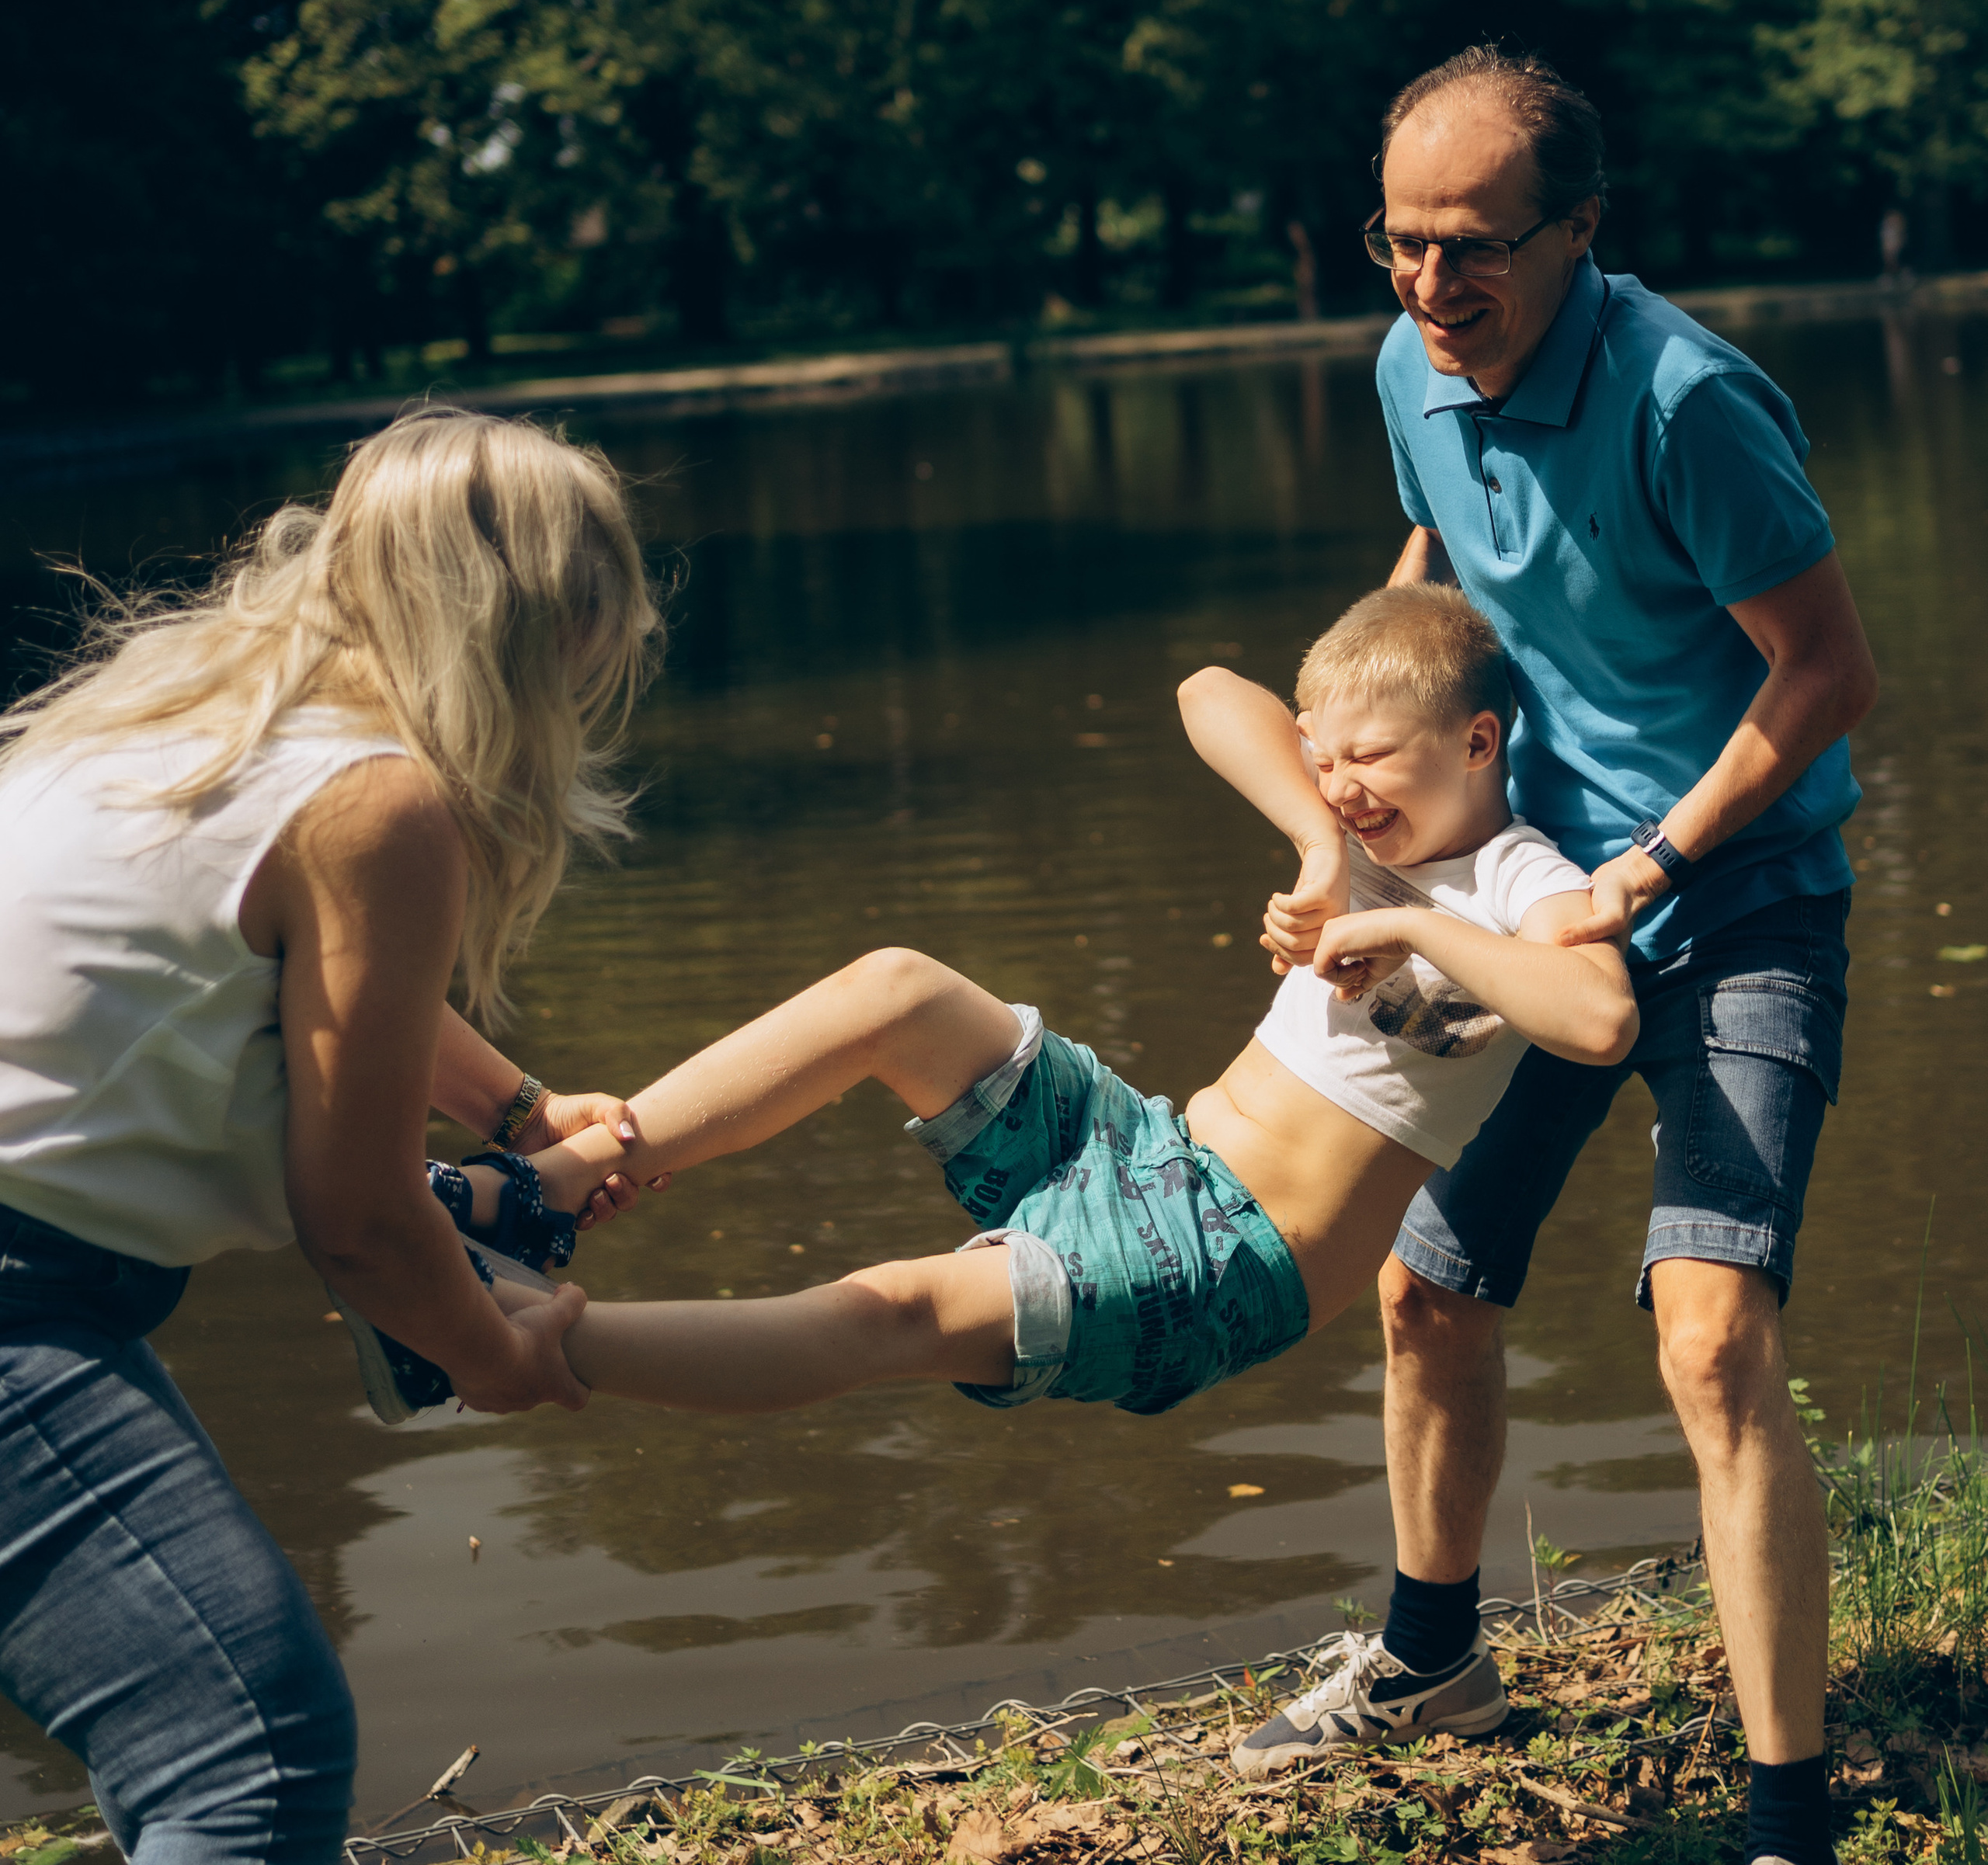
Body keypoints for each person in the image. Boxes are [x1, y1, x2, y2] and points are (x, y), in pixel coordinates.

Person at [0, 410, 657, 1865]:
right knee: (246, 1748)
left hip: (45, 1288)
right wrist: (495, 1354)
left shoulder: (177, 715)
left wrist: (517, 1116)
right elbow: (358, 1225)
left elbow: (307, 988)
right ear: (546, 632)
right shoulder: (385, 801)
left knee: (193, 1679)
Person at [1227, 46, 1879, 1865]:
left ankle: (1794, 1864)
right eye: (1400, 242)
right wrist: (1363, 803)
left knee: (1710, 1337)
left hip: (1734, 904)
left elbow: (1826, 668)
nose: (1433, 285)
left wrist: (1652, 864)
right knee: (1426, 1292)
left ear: (1580, 231)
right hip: (1522, 900)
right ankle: (1432, 1664)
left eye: (1475, 248)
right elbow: (1430, 585)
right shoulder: (1407, 371)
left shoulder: (1686, 403)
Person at [342, 588, 1635, 1451]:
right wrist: (1315, 845)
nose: (1344, 788)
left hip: (1227, 1263)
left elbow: (1597, 1017)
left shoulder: (1514, 879)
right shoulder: (1345, 829)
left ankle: (493, 1342)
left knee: (897, 1312)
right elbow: (1206, 691)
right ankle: (526, 1196)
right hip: (1145, 1146)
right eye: (1326, 758)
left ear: (1478, 745)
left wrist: (1414, 931)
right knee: (897, 988)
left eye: (1373, 762)